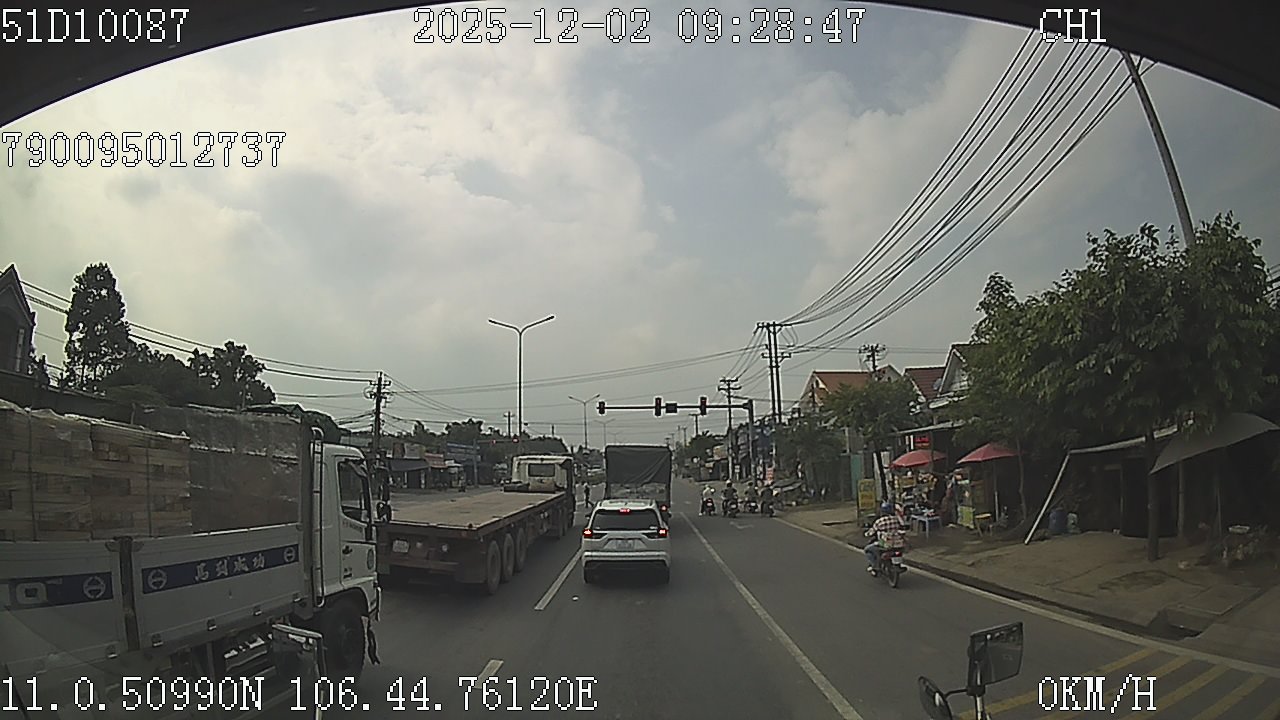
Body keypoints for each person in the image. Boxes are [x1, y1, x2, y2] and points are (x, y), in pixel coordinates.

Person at [865, 501, 908, 574]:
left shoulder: (880, 521)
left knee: (868, 549)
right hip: (898, 543)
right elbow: (902, 527)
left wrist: (867, 534)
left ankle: (875, 566)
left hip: (885, 544)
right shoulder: (896, 519)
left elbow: (871, 532)